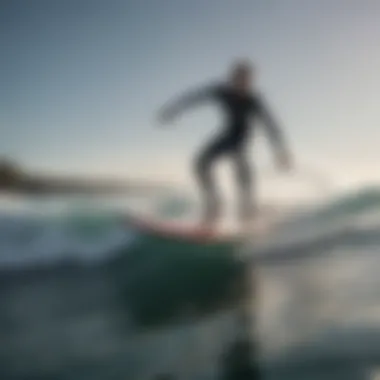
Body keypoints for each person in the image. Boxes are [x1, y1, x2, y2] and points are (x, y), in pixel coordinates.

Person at [158, 60, 293, 229]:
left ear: (250, 81)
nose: (243, 84)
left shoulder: (254, 100)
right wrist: (172, 110)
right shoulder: (222, 91)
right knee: (200, 164)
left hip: (242, 138)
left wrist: (281, 152)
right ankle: (214, 203)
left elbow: (271, 125)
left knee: (241, 166)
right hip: (227, 134)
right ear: (232, 79)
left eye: (247, 81)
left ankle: (247, 211)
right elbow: (194, 98)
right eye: (239, 79)